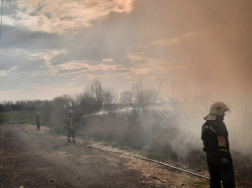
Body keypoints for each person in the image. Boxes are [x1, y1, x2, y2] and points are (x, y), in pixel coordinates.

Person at [201, 102, 236, 188]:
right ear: (218, 112)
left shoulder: (205, 125)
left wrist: (209, 154)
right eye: (223, 112)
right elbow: (221, 139)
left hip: (210, 157)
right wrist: (224, 156)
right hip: (221, 156)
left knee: (214, 179)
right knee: (228, 180)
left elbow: (204, 143)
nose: (224, 114)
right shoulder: (220, 124)